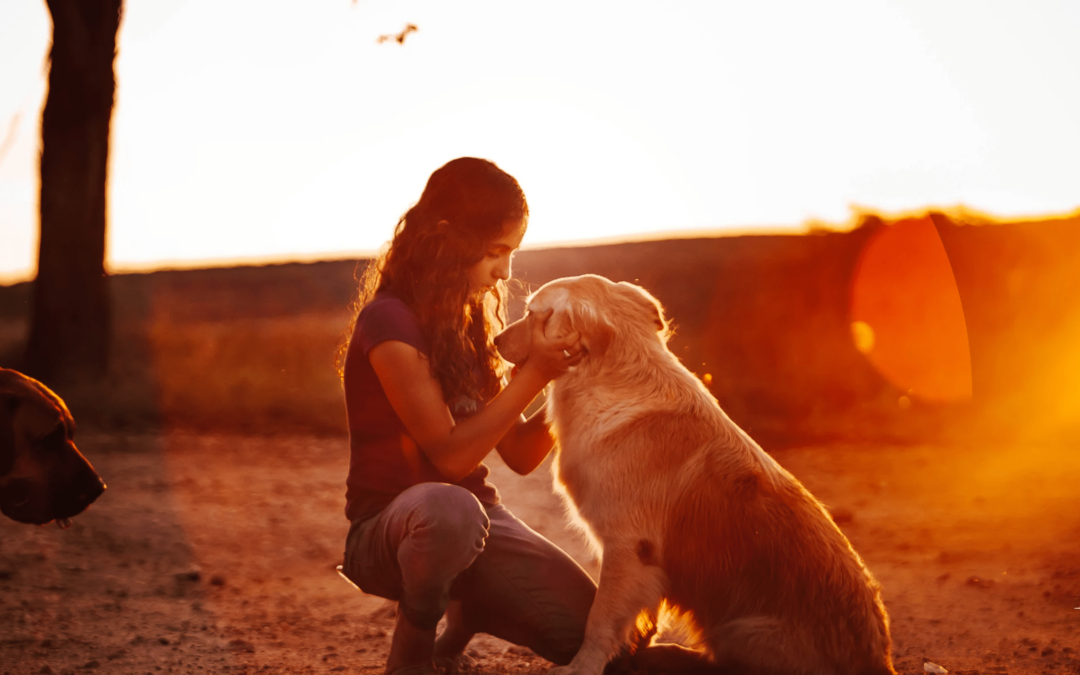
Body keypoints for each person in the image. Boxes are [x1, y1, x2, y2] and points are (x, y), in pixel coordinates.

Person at [338, 157, 596, 675]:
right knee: (448, 509)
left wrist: (574, 375)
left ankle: (468, 609)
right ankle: (412, 648)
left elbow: (521, 453)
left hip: (477, 527)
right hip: (390, 532)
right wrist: (535, 374)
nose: (504, 271)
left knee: (593, 637)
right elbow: (452, 458)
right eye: (496, 252)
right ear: (447, 240)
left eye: (512, 254)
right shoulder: (389, 322)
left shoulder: (465, 325)